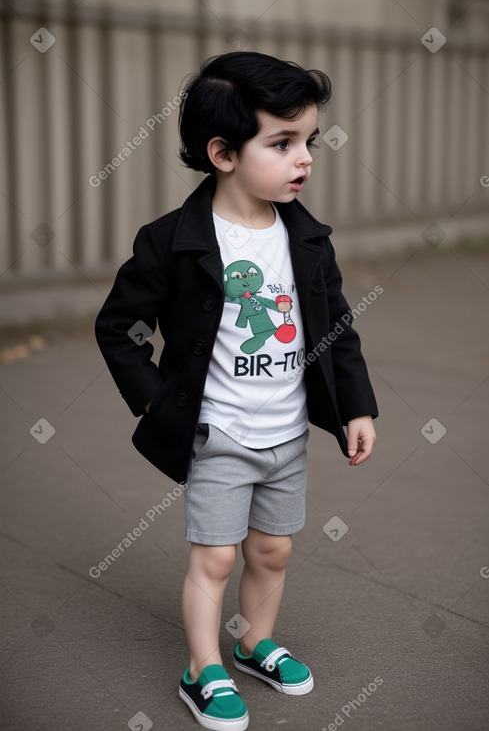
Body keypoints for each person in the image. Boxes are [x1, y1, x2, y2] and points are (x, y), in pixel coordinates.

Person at [95, 51, 378, 731]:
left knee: (273, 549)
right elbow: (119, 325)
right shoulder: (172, 243)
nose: (303, 157)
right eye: (281, 143)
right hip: (217, 432)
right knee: (215, 556)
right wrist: (154, 401)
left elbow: (335, 330)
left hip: (284, 432)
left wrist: (356, 405)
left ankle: (252, 641)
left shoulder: (305, 240)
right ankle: (202, 666)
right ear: (222, 152)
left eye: (307, 140)